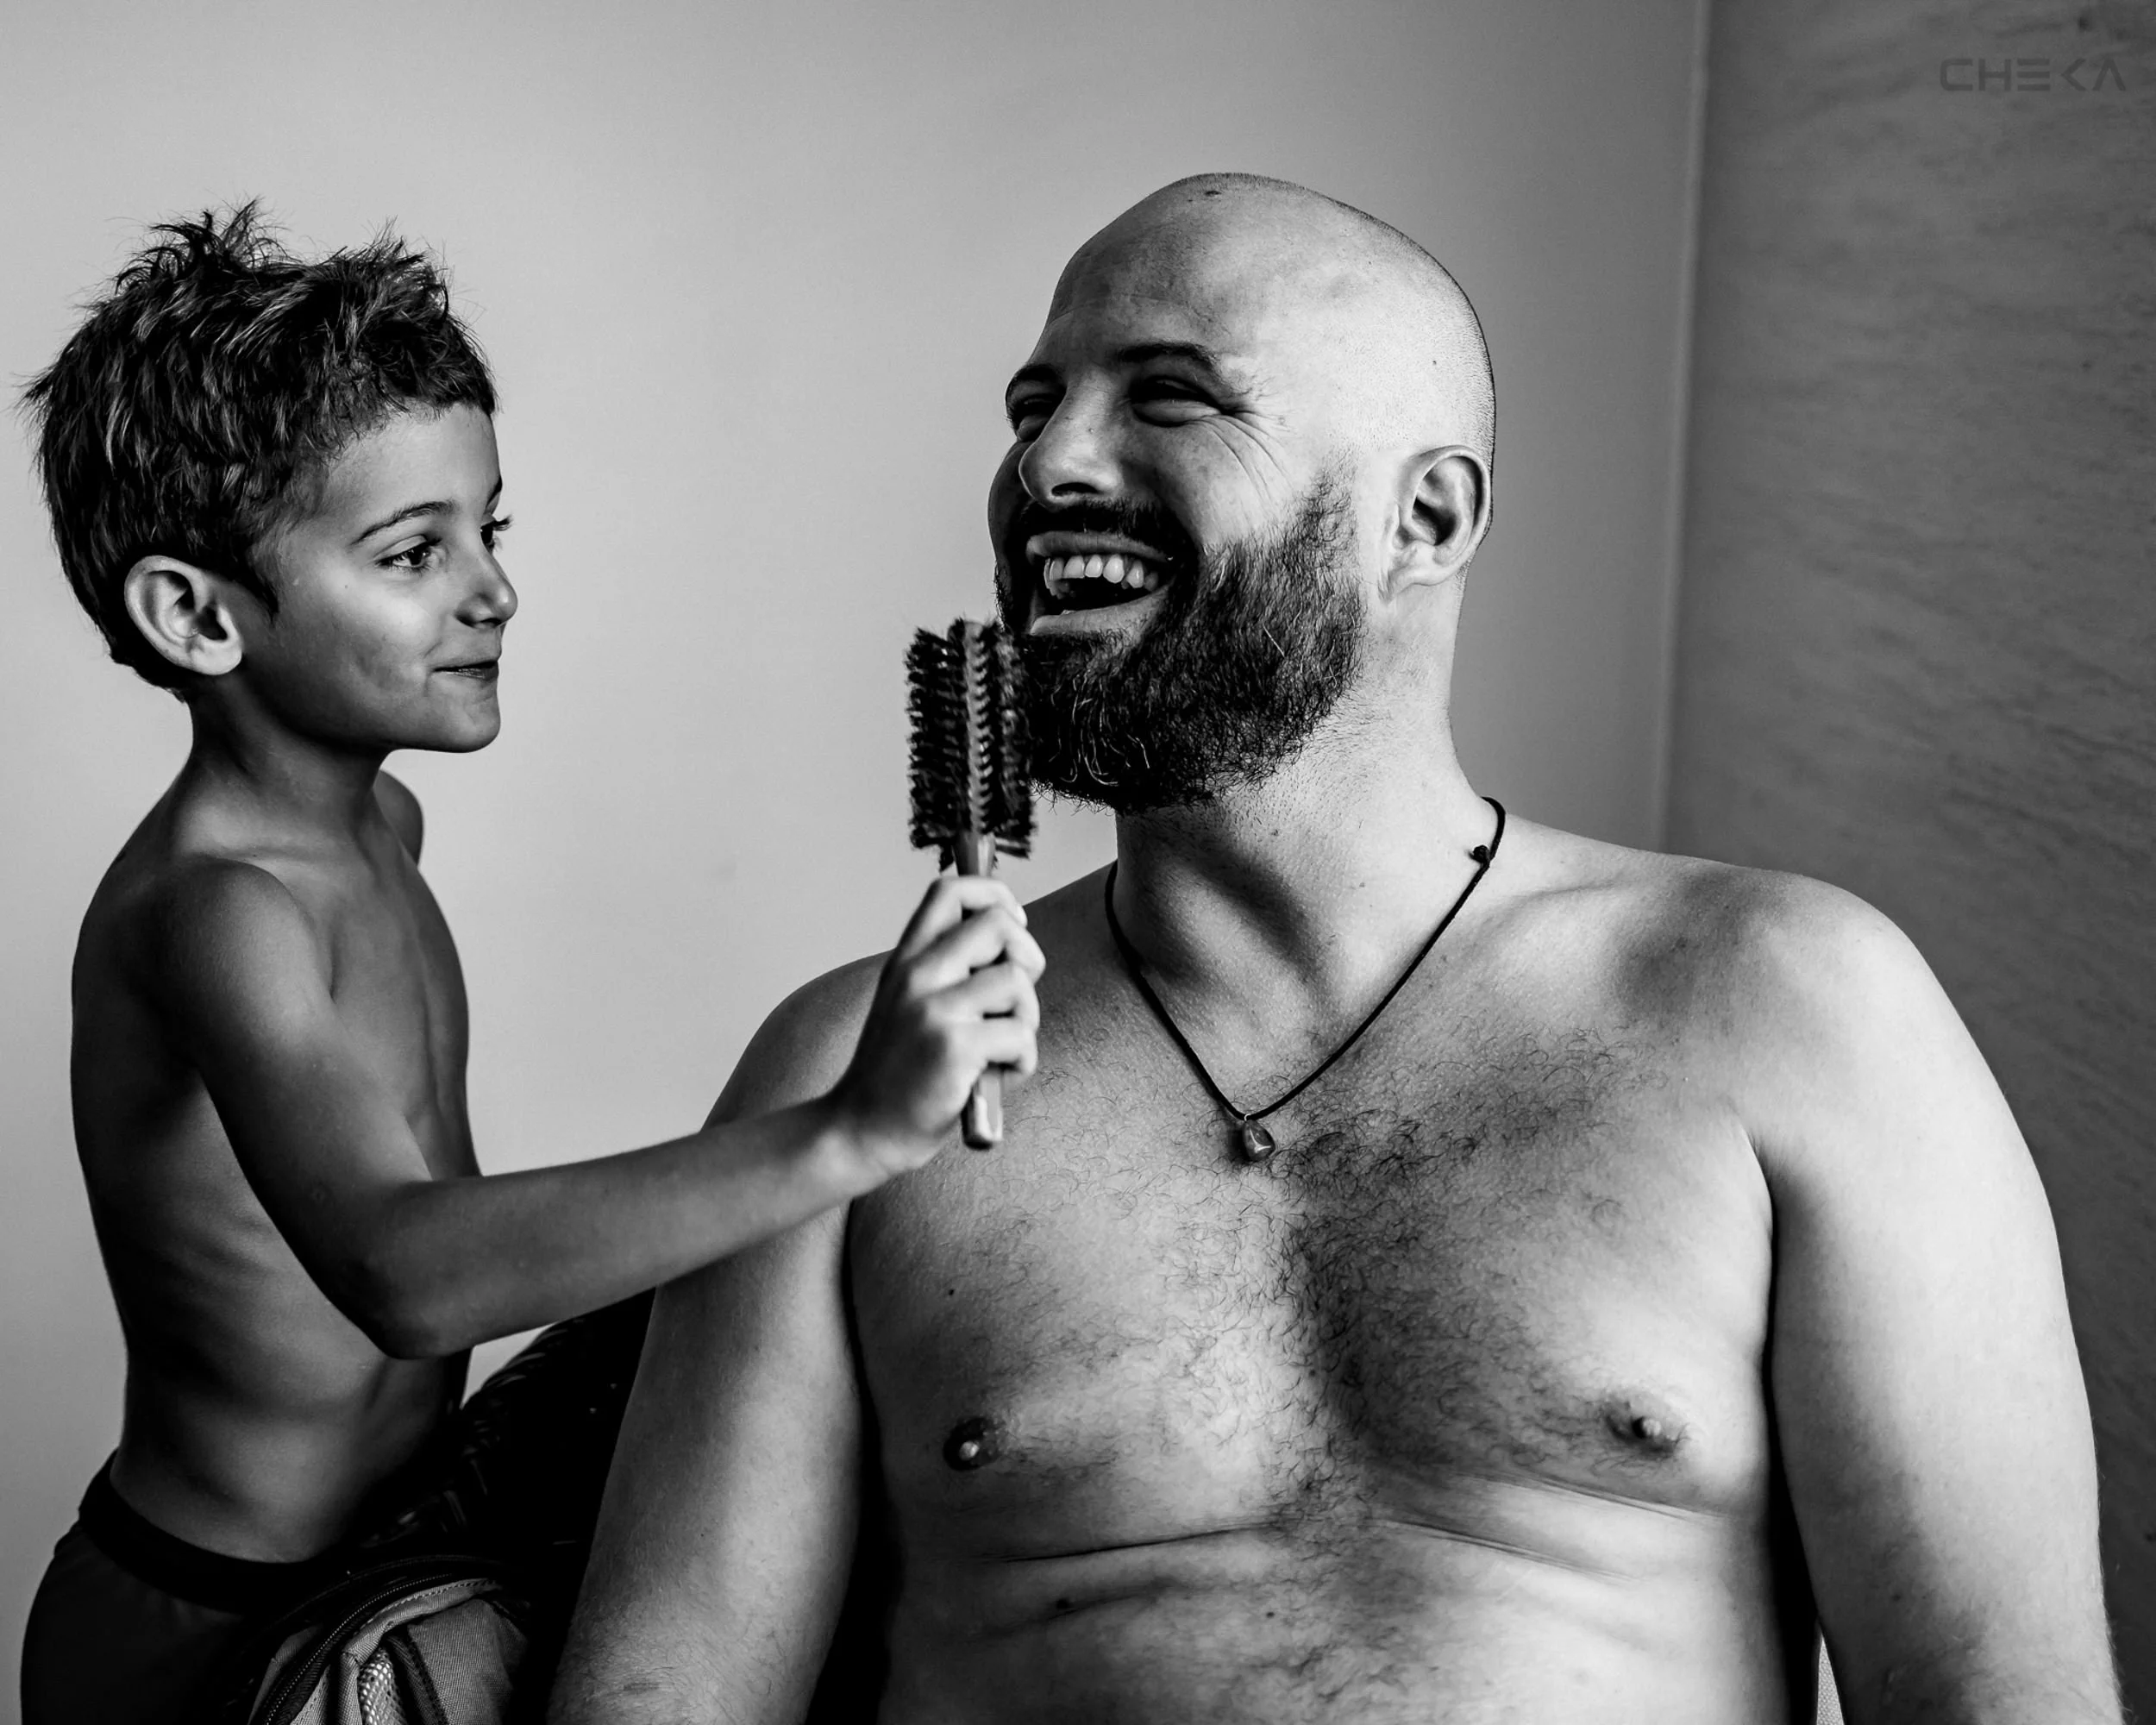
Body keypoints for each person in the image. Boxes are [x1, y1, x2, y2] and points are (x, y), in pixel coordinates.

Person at [550, 173, 2121, 1724]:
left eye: (1169, 396)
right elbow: (660, 1697)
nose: (1048, 462)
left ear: (1422, 519)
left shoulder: (1788, 1008)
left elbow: (1999, 1698)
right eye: (1035, 406)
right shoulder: (852, 1079)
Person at [16, 208, 1042, 1725]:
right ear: (195, 614)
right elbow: (405, 1273)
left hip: (397, 1560)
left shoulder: (386, 826)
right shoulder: (218, 910)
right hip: (202, 1629)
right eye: (412, 554)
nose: (492, 591)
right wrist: (844, 1131)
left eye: (490, 531)